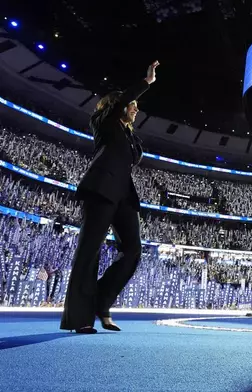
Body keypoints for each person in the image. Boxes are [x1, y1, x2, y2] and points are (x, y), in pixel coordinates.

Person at [60, 61, 160, 334]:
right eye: (132, 105)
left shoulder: (129, 135)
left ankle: (101, 301)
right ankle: (80, 318)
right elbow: (123, 101)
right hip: (101, 189)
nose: (136, 109)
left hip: (124, 195)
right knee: (89, 251)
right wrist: (146, 82)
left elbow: (135, 156)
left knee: (133, 251)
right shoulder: (103, 122)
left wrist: (130, 130)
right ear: (117, 105)